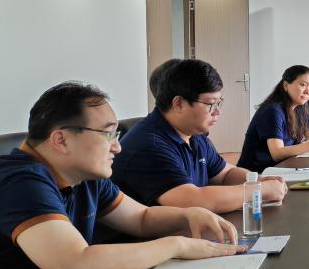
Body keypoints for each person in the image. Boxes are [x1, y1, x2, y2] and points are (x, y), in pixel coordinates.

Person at [0, 82, 241, 269]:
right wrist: (177, 245)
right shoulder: (19, 183)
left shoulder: (83, 175)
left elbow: (141, 218)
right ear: (60, 140)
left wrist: (188, 215)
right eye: (108, 134)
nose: (117, 147)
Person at [113, 59, 287, 212]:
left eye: (219, 103)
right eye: (211, 104)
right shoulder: (150, 145)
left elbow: (225, 174)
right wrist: (258, 190)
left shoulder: (193, 134)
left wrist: (258, 180)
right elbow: (192, 201)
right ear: (178, 104)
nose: (217, 112)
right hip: (151, 238)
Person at [238, 65, 309, 173]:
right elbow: (277, 154)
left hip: (283, 166)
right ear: (285, 85)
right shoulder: (272, 111)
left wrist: (304, 147)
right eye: (303, 85)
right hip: (257, 174)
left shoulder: (298, 109)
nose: (308, 92)